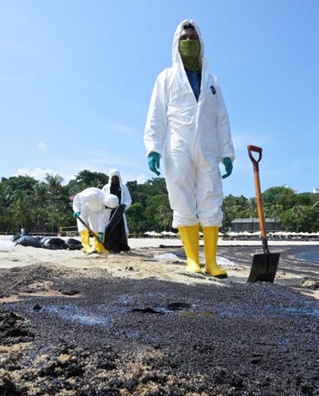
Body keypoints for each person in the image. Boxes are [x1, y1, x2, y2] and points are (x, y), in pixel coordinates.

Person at [144, 19, 235, 278]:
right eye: (184, 39)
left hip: (208, 147)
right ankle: (192, 260)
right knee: (181, 198)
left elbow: (222, 119)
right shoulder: (166, 77)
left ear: (200, 43)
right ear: (176, 43)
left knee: (211, 198)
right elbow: (156, 114)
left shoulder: (212, 82)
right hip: (177, 144)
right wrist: (153, 148)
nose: (188, 42)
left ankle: (212, 262)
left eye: (192, 38)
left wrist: (227, 152)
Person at [71, 188, 119, 254]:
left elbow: (103, 220)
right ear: (106, 202)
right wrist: (77, 210)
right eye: (107, 207)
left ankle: (99, 247)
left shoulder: (107, 207)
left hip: (95, 211)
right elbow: (78, 198)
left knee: (96, 227)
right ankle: (86, 247)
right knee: (82, 225)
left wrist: (101, 233)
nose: (107, 209)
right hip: (84, 207)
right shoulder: (95, 194)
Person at [101, 169, 132, 252]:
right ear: (110, 178)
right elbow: (102, 198)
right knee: (108, 229)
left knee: (122, 230)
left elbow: (128, 199)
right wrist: (106, 204)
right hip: (108, 212)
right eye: (113, 178)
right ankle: (109, 247)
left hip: (119, 213)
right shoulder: (105, 188)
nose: (115, 179)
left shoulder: (124, 188)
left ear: (119, 178)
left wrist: (123, 206)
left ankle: (122, 247)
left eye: (116, 178)